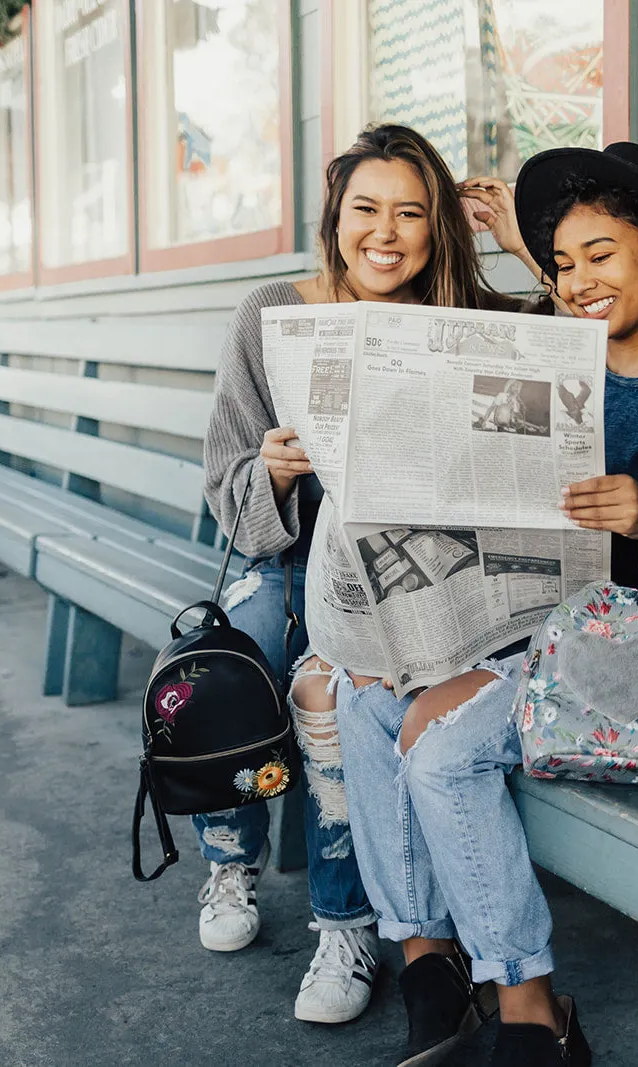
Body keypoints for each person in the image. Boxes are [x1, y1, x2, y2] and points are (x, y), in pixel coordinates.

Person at [332, 143, 638, 1066]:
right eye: (564, 264)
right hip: (578, 632)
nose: (577, 283)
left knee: (444, 750)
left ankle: (534, 1019)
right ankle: (430, 974)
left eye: (601, 258)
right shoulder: (575, 365)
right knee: (368, 696)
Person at [193, 123, 528, 1025]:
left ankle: (344, 924)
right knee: (231, 668)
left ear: (438, 228)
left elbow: (564, 366)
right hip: (288, 553)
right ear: (335, 218)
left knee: (328, 693)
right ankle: (231, 855)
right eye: (366, 210)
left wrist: (522, 247)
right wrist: (271, 471)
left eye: (412, 213)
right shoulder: (272, 311)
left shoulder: (458, 319)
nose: (386, 232)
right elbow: (226, 488)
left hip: (409, 578)